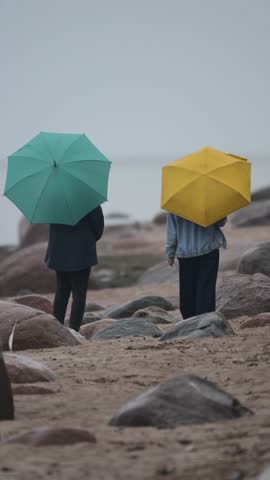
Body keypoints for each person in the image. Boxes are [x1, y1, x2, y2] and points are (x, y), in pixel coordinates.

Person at [45, 206, 104, 331]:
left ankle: (57, 328)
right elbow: (98, 227)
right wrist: (88, 239)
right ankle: (74, 329)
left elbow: (52, 227)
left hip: (59, 250)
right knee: (79, 294)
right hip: (81, 251)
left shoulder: (54, 199)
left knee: (62, 290)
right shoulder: (89, 198)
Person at [166, 214, 227, 320]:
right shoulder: (209, 199)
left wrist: (170, 252)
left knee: (187, 289)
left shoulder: (175, 201)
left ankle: (189, 320)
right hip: (208, 249)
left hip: (185, 252)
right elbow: (221, 223)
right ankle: (205, 320)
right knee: (206, 288)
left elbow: (172, 230)